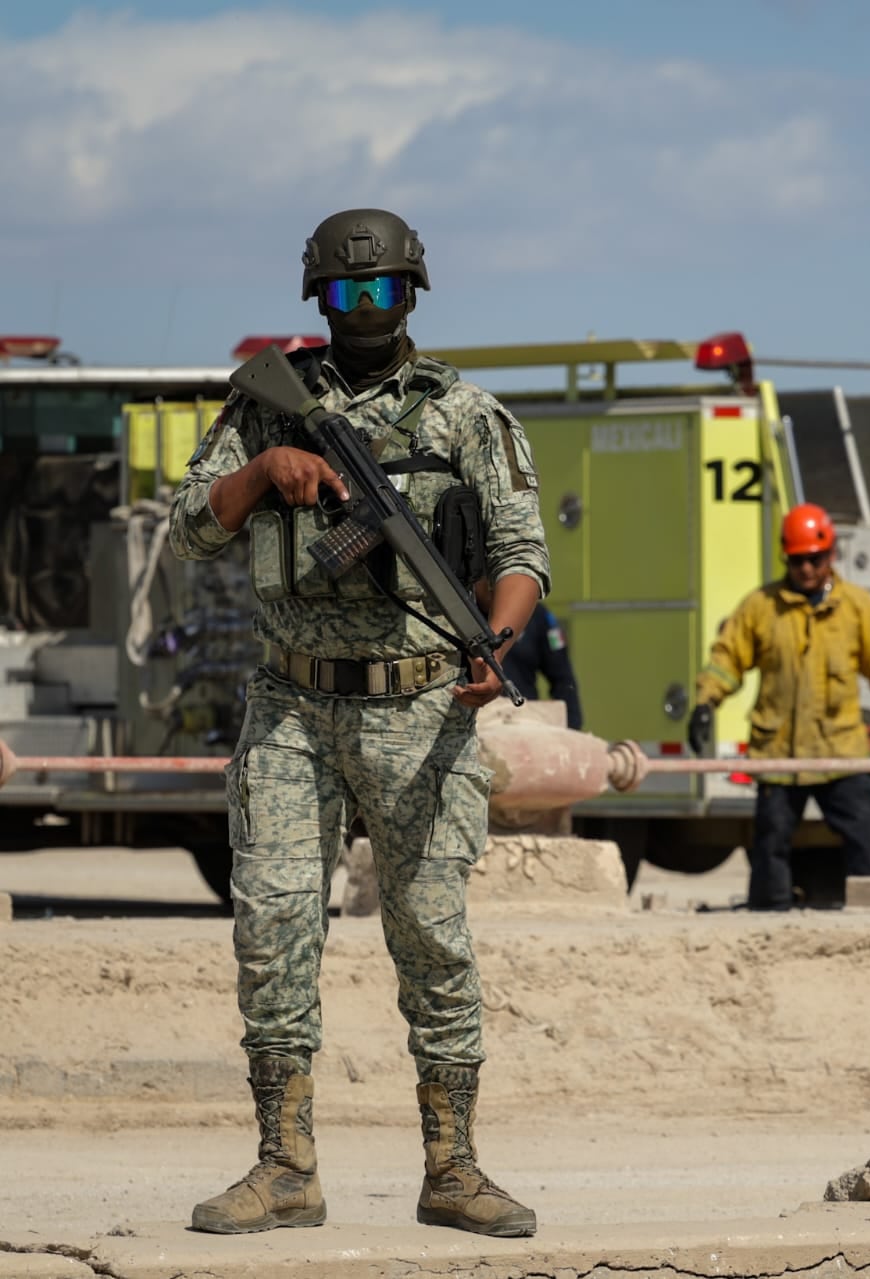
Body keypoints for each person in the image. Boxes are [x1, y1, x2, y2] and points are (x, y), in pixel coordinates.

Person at [169, 209, 549, 1237]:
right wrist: (266, 474)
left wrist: (497, 638)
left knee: (432, 937)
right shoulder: (266, 403)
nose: (366, 310)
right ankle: (284, 1165)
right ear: (319, 301)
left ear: (414, 293)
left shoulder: (467, 415)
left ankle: (453, 1166)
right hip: (292, 706)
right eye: (346, 294)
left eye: (383, 292)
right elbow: (190, 529)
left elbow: (520, 551)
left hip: (421, 707)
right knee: (276, 929)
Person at [689, 502, 870, 911]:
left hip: (840, 751)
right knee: (770, 841)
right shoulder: (761, 608)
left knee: (863, 833)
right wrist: (706, 702)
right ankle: (769, 916)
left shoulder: (857, 608)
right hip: (780, 754)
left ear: (830, 555)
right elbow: (728, 658)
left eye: (814, 559)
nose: (806, 569)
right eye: (797, 560)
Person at [502, 602, 583, 730]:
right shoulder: (465, 610)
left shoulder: (538, 615)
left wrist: (572, 727)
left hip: (522, 720)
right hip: (475, 719)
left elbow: (562, 677)